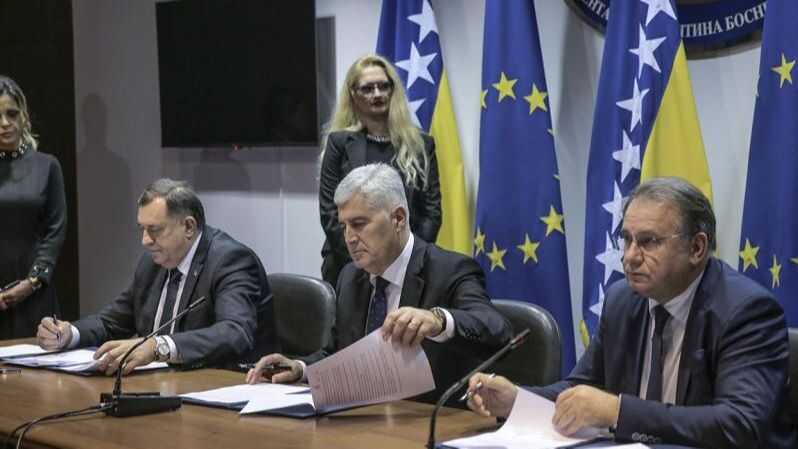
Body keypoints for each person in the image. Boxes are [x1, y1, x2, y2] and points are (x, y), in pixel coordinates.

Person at [467, 177, 795, 449]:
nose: (630, 257)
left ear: (696, 248)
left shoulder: (745, 311)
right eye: (626, 240)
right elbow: (582, 388)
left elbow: (740, 425)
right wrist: (518, 401)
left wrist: (618, 411)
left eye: (649, 242)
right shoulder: (623, 300)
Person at [249, 163, 511, 403]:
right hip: (364, 422)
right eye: (344, 226)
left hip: (429, 420)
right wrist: (300, 369)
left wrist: (439, 320)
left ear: (398, 218)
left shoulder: (449, 270)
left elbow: (497, 329)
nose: (349, 238)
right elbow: (339, 355)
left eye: (359, 224)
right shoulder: (350, 277)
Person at [36, 179, 277, 375]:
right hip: (164, 387)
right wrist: (69, 334)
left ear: (189, 227)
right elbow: (113, 322)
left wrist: (158, 346)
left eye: (155, 230)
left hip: (224, 387)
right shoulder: (153, 263)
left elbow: (234, 332)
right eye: (142, 229)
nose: (145, 241)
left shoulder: (230, 260)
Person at [319, 54, 441, 287]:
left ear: (393, 90)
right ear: (353, 94)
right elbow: (330, 213)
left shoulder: (421, 145)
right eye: (367, 88)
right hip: (348, 266)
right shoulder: (339, 143)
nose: (377, 94)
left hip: (408, 269)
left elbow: (431, 213)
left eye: (383, 86)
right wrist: (362, 261)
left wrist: (407, 262)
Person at [0, 76, 66, 339]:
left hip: (34, 292)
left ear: (24, 116)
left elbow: (55, 231)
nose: (5, 123)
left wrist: (32, 283)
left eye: (11, 114)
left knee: (37, 363)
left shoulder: (47, 166)